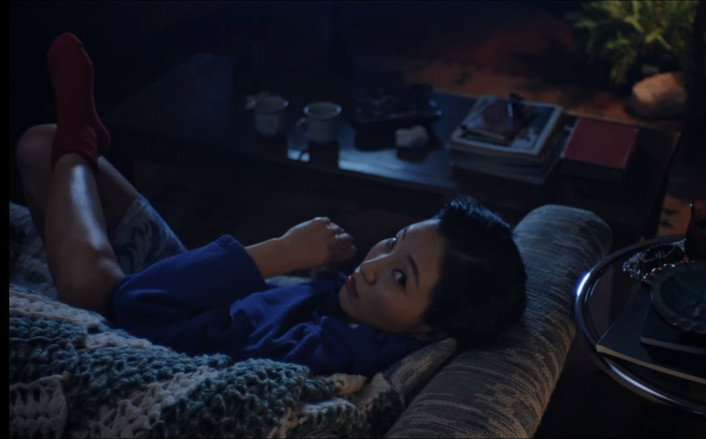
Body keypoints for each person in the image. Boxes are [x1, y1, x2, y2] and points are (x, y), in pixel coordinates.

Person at [15, 33, 527, 376]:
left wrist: (277, 253)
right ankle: (75, 143)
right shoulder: (365, 314)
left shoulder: (336, 353)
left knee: (87, 288)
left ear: (429, 329)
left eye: (400, 277)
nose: (373, 266)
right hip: (186, 293)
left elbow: (133, 304)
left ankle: (81, 142)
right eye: (393, 242)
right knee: (40, 144)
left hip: (139, 322)